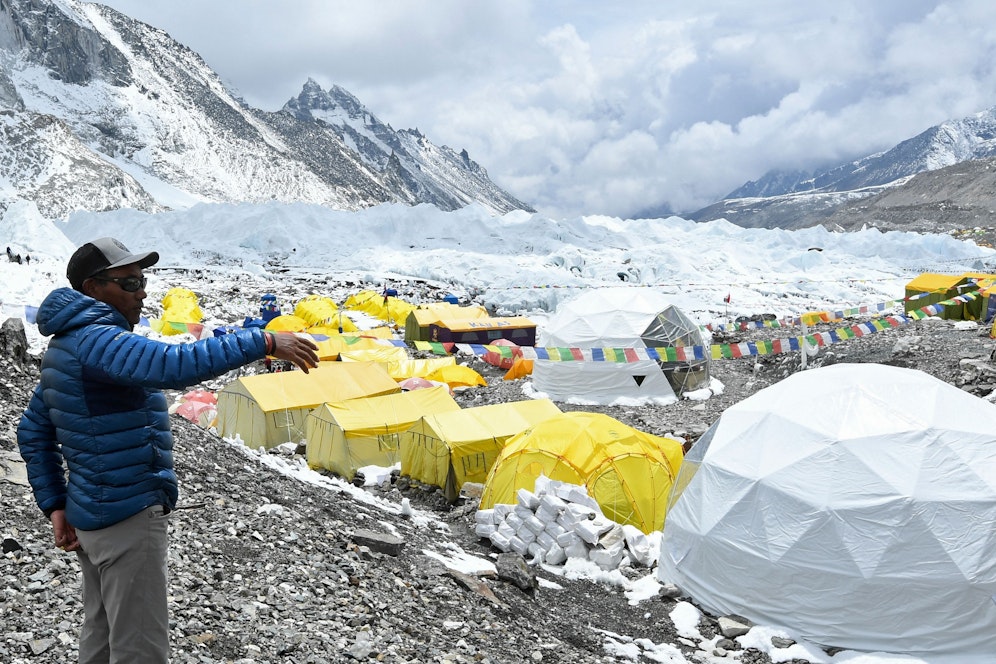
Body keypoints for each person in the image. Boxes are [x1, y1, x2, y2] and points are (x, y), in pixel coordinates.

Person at [16, 237, 319, 663]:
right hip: (127, 516)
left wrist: (55, 505)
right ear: (92, 288)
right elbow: (174, 366)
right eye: (129, 282)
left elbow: (32, 429)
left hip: (92, 515)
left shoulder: (65, 346)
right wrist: (263, 342)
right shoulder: (98, 341)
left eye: (143, 281)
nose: (142, 291)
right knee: (139, 647)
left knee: (101, 638)